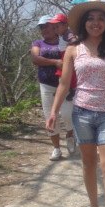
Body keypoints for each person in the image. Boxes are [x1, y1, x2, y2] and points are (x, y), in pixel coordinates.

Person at [45, 1, 105, 207]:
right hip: (81, 112)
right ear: (84, 23)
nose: (95, 22)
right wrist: (53, 112)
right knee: (88, 164)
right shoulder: (73, 49)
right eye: (91, 18)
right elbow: (63, 83)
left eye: (100, 18)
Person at [30, 14, 76, 160]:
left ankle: (70, 135)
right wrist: (56, 62)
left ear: (54, 26)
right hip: (47, 85)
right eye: (41, 28)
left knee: (68, 114)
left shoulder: (64, 40)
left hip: (66, 84)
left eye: (46, 26)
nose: (44, 30)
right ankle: (56, 148)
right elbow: (35, 59)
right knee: (50, 115)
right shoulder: (38, 43)